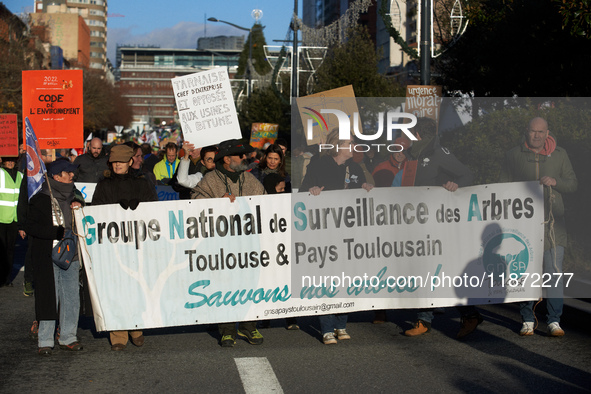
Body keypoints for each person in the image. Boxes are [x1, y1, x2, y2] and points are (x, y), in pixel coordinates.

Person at [396, 118, 482, 339]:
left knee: (442, 271)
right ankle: (424, 319)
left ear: (417, 135)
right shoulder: (413, 156)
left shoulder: (438, 152)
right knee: (424, 270)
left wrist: (456, 185)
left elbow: (466, 174)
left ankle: (468, 314)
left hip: (437, 223)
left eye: (409, 134)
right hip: (417, 222)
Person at [499, 117, 577, 337]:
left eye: (541, 132)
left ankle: (554, 321)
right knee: (524, 272)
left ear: (547, 133)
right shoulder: (513, 156)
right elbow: (501, 188)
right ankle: (526, 319)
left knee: (553, 271)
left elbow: (573, 184)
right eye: (533, 131)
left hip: (553, 226)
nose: (536, 136)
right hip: (523, 226)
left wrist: (555, 181)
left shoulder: (560, 155)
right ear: (527, 131)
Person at [299, 128, 373, 344]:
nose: (353, 146)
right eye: (350, 142)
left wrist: (366, 187)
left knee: (346, 278)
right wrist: (311, 190)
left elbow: (362, 189)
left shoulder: (355, 167)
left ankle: (341, 324)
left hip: (348, 231)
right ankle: (327, 327)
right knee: (328, 278)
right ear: (338, 145)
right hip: (325, 232)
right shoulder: (319, 165)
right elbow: (303, 192)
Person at [192, 139, 266, 347]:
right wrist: (216, 203)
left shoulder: (250, 180)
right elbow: (194, 201)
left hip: (247, 244)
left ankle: (248, 326)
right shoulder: (210, 180)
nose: (245, 159)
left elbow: (266, 202)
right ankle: (226, 330)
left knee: (249, 285)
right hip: (220, 245)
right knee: (224, 286)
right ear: (226, 159)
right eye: (240, 155)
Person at [92, 145, 158, 350]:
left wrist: (142, 208)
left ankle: (136, 327)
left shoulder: (142, 183)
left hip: (138, 243)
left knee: (137, 285)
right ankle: (118, 332)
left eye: (121, 161)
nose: (117, 165)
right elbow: (96, 213)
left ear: (130, 162)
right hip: (113, 245)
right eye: (114, 162)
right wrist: (113, 211)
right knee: (116, 287)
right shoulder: (104, 185)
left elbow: (154, 210)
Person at [25, 159, 85, 355]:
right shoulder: (40, 198)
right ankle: (45, 340)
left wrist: (80, 202)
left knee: (71, 298)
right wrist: (55, 233)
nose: (72, 175)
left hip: (72, 254)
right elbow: (31, 226)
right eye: (67, 173)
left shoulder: (74, 195)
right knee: (49, 298)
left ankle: (68, 336)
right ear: (56, 177)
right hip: (47, 255)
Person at [0, 157, 23, 287]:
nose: (10, 162)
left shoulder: (20, 176)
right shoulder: (0, 173)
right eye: (8, 160)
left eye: (12, 160)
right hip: (1, 218)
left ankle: (7, 278)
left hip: (14, 219)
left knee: (10, 250)